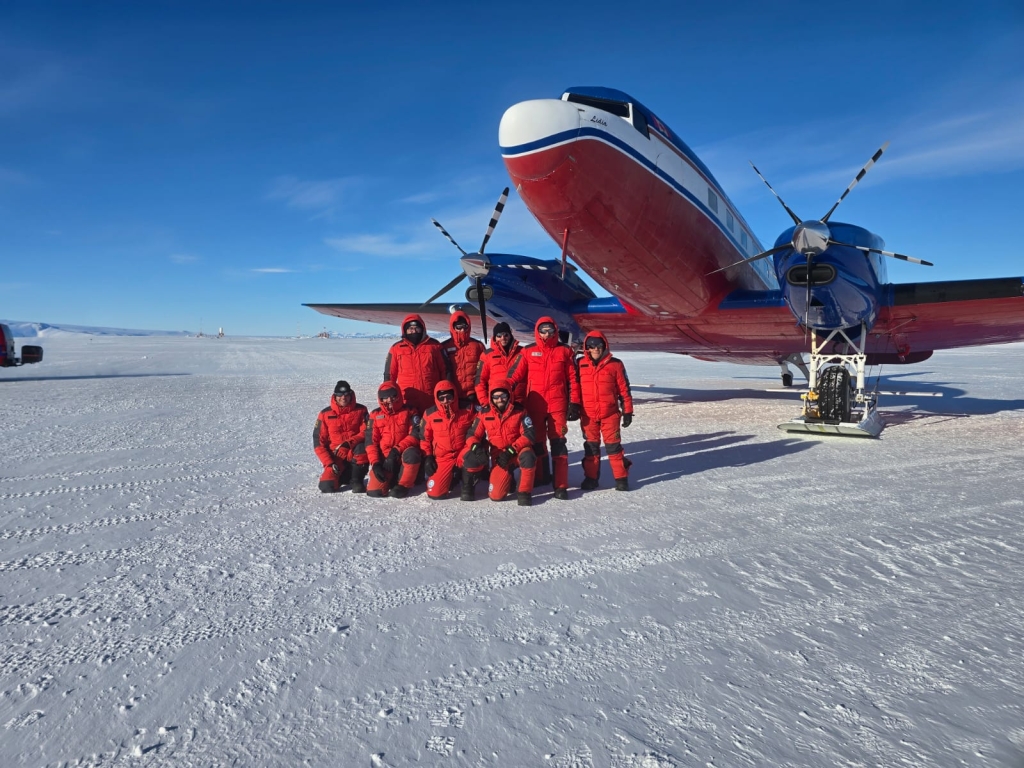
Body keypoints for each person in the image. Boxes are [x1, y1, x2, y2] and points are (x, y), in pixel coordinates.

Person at [506, 316, 581, 500]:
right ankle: (540, 477)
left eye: (550, 330)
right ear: (537, 332)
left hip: (557, 405)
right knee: (536, 443)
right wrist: (503, 395)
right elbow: (513, 376)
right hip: (535, 406)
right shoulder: (528, 351)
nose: (547, 334)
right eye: (543, 330)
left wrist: (575, 403)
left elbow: (573, 379)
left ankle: (561, 485)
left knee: (558, 445)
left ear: (555, 331)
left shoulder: (565, 351)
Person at [461, 380, 537, 506]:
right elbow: (471, 435)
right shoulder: (484, 413)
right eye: (496, 397)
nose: (500, 400)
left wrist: (511, 450)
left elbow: (529, 434)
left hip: (517, 451)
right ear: (491, 398)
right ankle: (508, 478)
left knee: (528, 456)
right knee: (496, 495)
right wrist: (477, 447)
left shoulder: (520, 411)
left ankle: (524, 492)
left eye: (503, 396)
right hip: (500, 457)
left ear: (509, 396)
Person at [577, 331, 634, 491]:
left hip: (610, 415)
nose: (595, 349)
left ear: (605, 346)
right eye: (592, 346)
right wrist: (573, 406)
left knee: (614, 449)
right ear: (586, 348)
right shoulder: (580, 364)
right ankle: (591, 478)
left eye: (599, 346)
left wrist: (627, 411)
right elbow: (574, 389)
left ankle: (621, 479)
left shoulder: (615, 364)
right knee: (591, 449)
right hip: (588, 416)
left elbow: (624, 389)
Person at [419, 379, 477, 500]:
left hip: (463, 452)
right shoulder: (430, 414)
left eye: (449, 397)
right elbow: (424, 439)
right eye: (442, 398)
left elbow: (480, 427)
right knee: (435, 493)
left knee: (475, 455)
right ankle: (452, 475)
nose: (446, 401)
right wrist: (428, 456)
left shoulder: (468, 409)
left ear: (454, 395)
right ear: (437, 398)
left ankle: (468, 484)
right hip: (443, 456)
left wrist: (478, 445)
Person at [364, 382, 423, 498]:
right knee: (375, 491)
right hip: (385, 460)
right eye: (385, 397)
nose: (389, 400)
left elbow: (415, 435)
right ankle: (390, 479)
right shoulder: (375, 415)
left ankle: (403, 485)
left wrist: (396, 450)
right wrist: (375, 463)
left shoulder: (410, 411)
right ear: (380, 398)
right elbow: (371, 442)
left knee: (413, 453)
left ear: (398, 395)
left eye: (393, 395)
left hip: (402, 455)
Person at [383, 314, 449, 415]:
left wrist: (446, 392)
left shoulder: (434, 346)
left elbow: (445, 370)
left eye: (417, 328)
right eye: (410, 329)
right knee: (410, 429)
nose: (414, 331)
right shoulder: (396, 348)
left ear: (422, 329)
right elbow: (389, 375)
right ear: (405, 330)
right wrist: (388, 396)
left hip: (431, 398)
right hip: (407, 399)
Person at [313, 380, 370, 493]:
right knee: (326, 487)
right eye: (339, 395)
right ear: (335, 396)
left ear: (350, 395)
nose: (343, 398)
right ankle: (341, 476)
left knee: (363, 446)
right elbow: (319, 442)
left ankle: (356, 480)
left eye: (346, 394)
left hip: (353, 452)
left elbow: (366, 432)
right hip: (336, 456)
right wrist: (329, 463)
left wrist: (348, 444)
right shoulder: (325, 414)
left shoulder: (361, 410)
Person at [440, 310, 487, 408]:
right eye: (459, 327)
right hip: (453, 395)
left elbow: (485, 370)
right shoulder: (444, 347)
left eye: (464, 327)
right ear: (453, 328)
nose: (462, 330)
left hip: (474, 395)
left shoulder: (478, 345)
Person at [474, 321, 526, 407]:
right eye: (499, 335)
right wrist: (484, 402)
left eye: (506, 334)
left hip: (519, 402)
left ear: (510, 335)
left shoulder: (522, 352)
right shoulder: (487, 355)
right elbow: (480, 380)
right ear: (495, 337)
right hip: (498, 401)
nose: (503, 338)